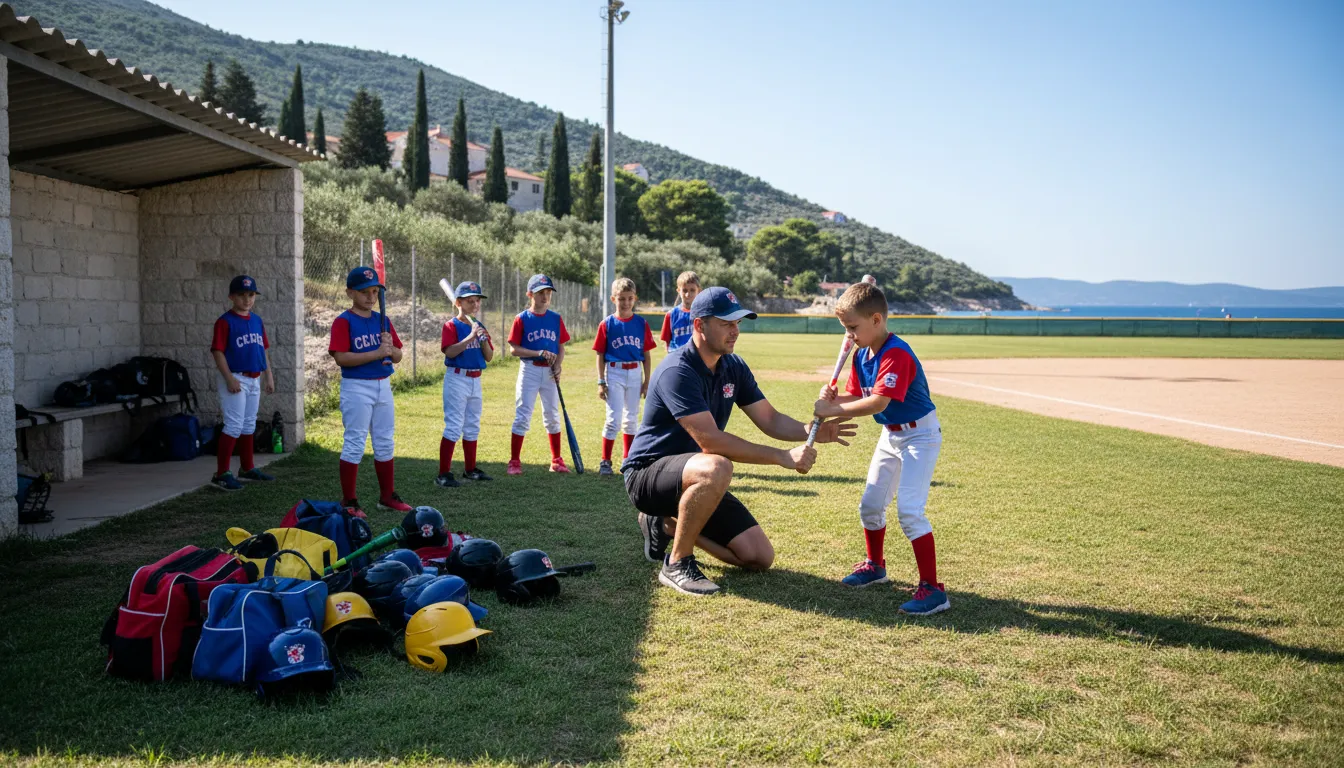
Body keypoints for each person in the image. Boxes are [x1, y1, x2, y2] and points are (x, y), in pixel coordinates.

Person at [623, 287, 857, 596]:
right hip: (648, 475)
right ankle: (678, 562)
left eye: (738, 323)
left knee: (759, 557)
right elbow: (711, 440)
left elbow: (770, 419)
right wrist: (783, 457)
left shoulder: (733, 366)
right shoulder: (677, 371)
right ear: (699, 325)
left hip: (696, 478)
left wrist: (810, 430)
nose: (735, 331)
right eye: (726, 323)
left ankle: (665, 524)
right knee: (717, 466)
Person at [813, 281, 949, 615]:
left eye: (852, 328)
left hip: (921, 436)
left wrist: (832, 410)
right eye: (845, 329)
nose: (848, 336)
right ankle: (875, 566)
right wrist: (832, 398)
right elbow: (857, 395)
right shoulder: (862, 354)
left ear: (876, 320)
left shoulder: (896, 353)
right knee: (870, 506)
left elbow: (877, 402)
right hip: (891, 435)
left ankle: (933, 589)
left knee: (910, 512)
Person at [328, 266, 412, 514]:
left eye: (375, 291)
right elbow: (341, 358)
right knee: (355, 441)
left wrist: (390, 349)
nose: (371, 297)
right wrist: (377, 352)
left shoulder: (383, 320)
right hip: (356, 387)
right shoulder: (343, 321)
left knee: (385, 441)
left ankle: (387, 496)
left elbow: (397, 355)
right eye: (365, 292)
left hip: (382, 385)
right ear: (350, 293)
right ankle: (349, 501)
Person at [208, 274, 275, 491]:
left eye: (251, 294)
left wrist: (269, 375)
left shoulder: (256, 320)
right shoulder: (225, 321)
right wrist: (229, 378)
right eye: (242, 295)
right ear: (231, 297)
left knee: (249, 424)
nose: (247, 299)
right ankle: (221, 473)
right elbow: (218, 352)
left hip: (254, 377)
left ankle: (247, 468)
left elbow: (263, 350)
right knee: (234, 425)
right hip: (235, 376)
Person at [506, 274, 571, 475]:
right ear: (530, 294)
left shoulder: (555, 318)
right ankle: (514, 461)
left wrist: (558, 366)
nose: (545, 297)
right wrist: (538, 353)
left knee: (552, 415)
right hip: (530, 369)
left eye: (548, 292)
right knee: (523, 414)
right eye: (540, 293)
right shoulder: (522, 318)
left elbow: (561, 347)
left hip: (550, 371)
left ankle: (557, 460)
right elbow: (514, 349)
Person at [593, 277, 656, 477]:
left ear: (635, 298)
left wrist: (647, 380)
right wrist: (601, 381)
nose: (626, 302)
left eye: (629, 298)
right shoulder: (607, 324)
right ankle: (605, 460)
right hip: (615, 371)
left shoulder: (640, 323)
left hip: (635, 371)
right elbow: (600, 355)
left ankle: (628, 459)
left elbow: (646, 354)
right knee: (613, 418)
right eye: (621, 298)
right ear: (613, 299)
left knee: (631, 419)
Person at [437, 281, 495, 488]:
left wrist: (482, 340)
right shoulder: (451, 325)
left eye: (477, 301)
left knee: (472, 425)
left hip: (475, 378)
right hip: (457, 378)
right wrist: (470, 336)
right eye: (470, 301)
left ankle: (470, 469)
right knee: (454, 425)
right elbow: (449, 352)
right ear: (458, 302)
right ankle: (443, 474)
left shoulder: (480, 326)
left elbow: (488, 357)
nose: (475, 305)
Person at [659, 271, 700, 352]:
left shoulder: (703, 313)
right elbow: (667, 342)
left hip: (697, 359)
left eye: (692, 290)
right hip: (677, 359)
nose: (688, 294)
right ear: (678, 291)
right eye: (684, 290)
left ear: (698, 290)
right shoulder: (671, 315)